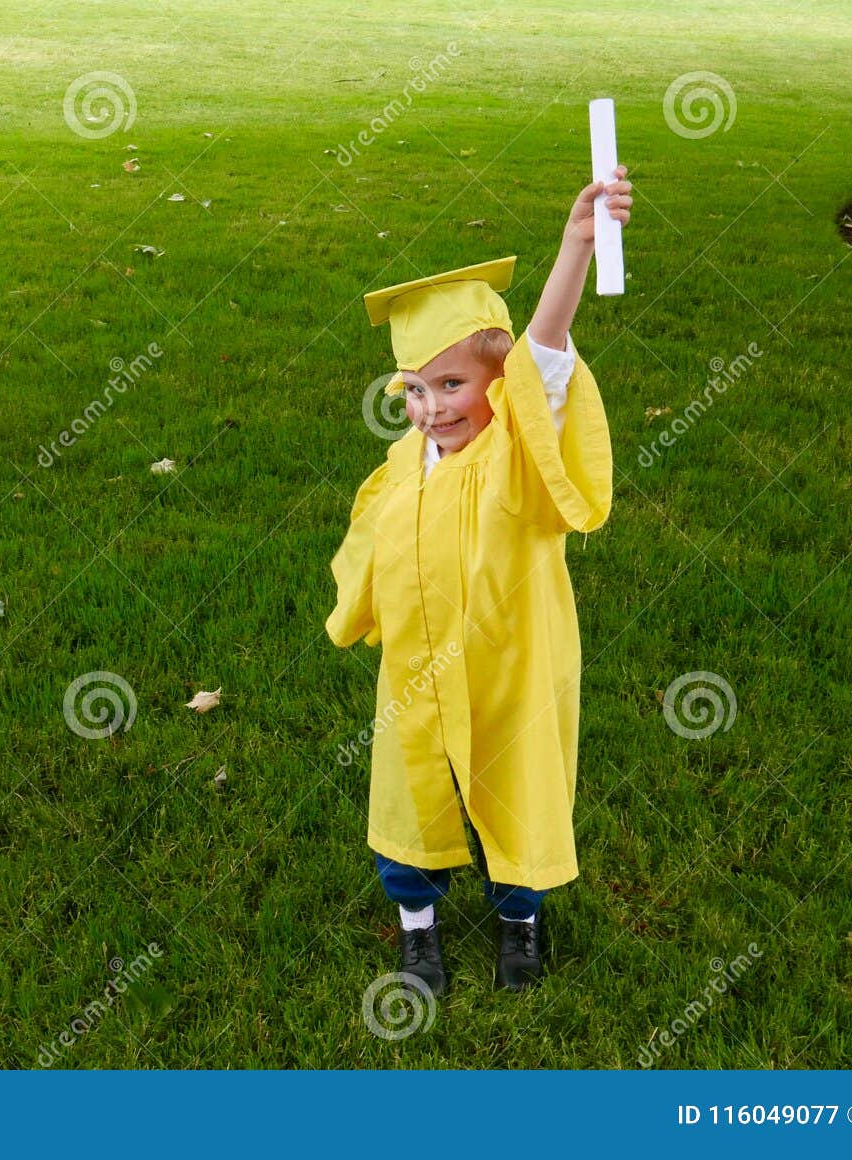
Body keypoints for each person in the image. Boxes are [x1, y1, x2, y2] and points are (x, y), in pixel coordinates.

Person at [326, 166, 632, 993]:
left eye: (454, 385)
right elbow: (367, 548)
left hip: (511, 668)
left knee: (516, 790)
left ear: (504, 392)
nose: (434, 407)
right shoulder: (400, 469)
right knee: (409, 802)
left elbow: (547, 358)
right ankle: (417, 932)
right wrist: (358, 610)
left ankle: (519, 924)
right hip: (417, 677)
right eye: (416, 390)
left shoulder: (516, 462)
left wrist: (575, 247)